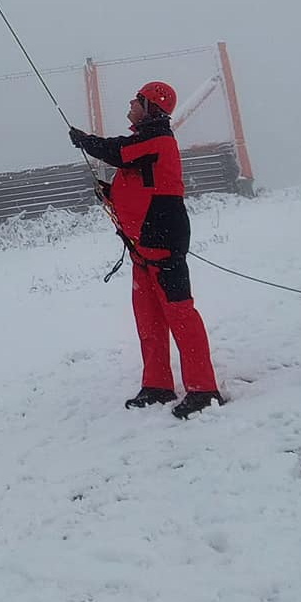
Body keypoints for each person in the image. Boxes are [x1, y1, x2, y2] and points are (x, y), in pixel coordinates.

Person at [69, 81, 224, 419]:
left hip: (162, 245)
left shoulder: (157, 139)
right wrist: (110, 192)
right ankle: (157, 385)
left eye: (136, 100)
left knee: (180, 315)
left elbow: (119, 152)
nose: (130, 103)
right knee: (149, 320)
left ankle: (204, 390)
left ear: (151, 106)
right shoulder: (148, 143)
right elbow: (139, 186)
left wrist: (85, 140)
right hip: (142, 249)